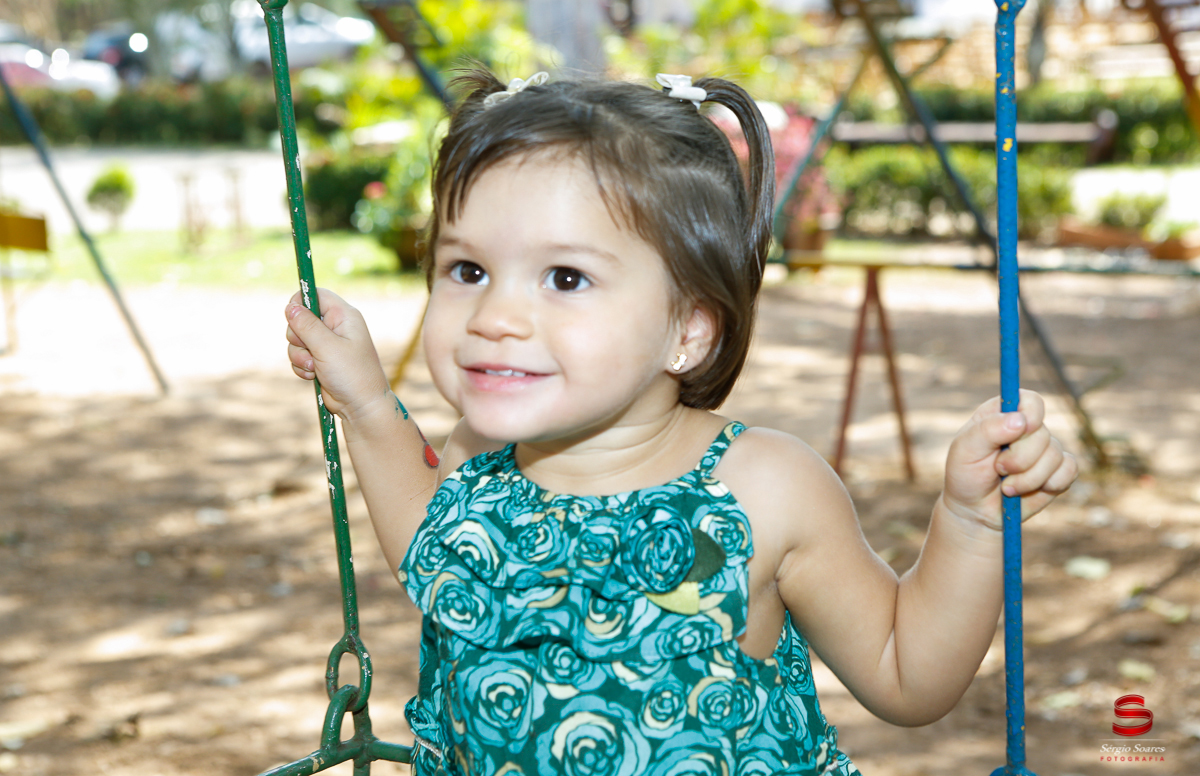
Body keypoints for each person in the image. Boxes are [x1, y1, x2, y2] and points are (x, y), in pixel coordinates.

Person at [283, 67, 1077, 776]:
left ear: (689, 330)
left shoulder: (763, 489)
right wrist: (365, 403)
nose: (494, 316)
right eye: (469, 269)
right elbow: (430, 554)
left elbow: (906, 674)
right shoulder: (477, 461)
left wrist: (971, 523)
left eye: (565, 278)